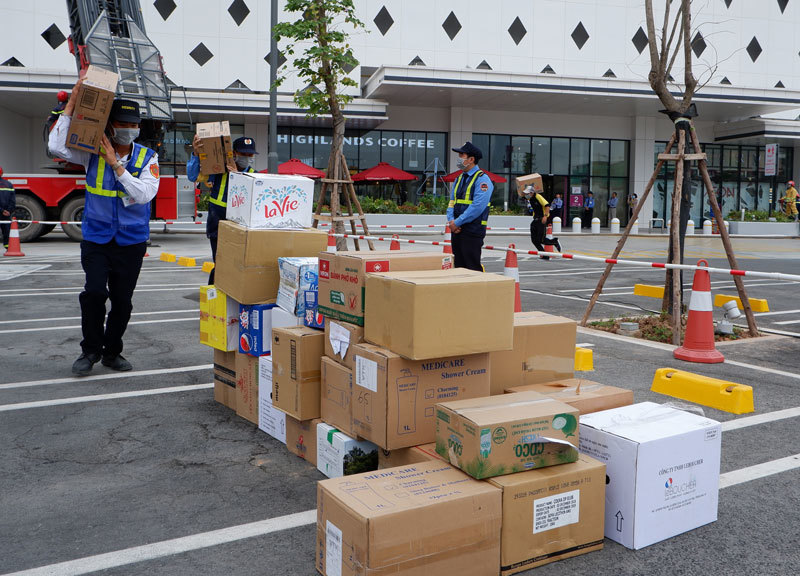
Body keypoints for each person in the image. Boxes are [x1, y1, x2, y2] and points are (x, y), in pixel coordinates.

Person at [49, 78, 160, 376]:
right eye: (122, 122)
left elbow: (144, 194)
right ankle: (89, 351)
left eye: (133, 123)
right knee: (95, 294)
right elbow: (56, 145)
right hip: (97, 239)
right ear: (109, 125)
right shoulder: (90, 151)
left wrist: (116, 165)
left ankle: (112, 353)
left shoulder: (149, 158)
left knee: (123, 302)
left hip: (131, 242)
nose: (128, 128)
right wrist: (72, 101)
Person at [187, 136, 258, 284]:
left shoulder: (254, 175)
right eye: (243, 154)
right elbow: (193, 176)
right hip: (218, 225)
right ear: (233, 153)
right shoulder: (218, 169)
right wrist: (195, 154)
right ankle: (214, 297)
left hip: (240, 228)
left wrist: (238, 177)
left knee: (238, 266)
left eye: (249, 155)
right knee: (220, 264)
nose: (246, 158)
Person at [446, 141, 493, 271]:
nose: (459, 158)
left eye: (461, 155)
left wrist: (457, 222)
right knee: (459, 267)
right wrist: (451, 220)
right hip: (457, 230)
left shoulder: (482, 180)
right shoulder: (459, 178)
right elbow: (451, 202)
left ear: (471, 159)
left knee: (472, 267)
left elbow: (477, 206)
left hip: (472, 230)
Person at [521, 184, 550, 260]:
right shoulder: (530, 198)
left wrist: (545, 216)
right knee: (534, 240)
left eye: (528, 193)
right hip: (535, 219)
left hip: (542, 219)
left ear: (532, 192)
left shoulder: (538, 196)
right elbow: (521, 195)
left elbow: (547, 205)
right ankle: (544, 254)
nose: (527, 194)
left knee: (541, 240)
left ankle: (555, 242)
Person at [0, 167, 15, 250]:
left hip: (1, 211)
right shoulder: (9, 184)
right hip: (6, 213)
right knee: (6, 230)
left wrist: (1, 210)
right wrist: (8, 211)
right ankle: (8, 247)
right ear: (2, 173)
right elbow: (12, 200)